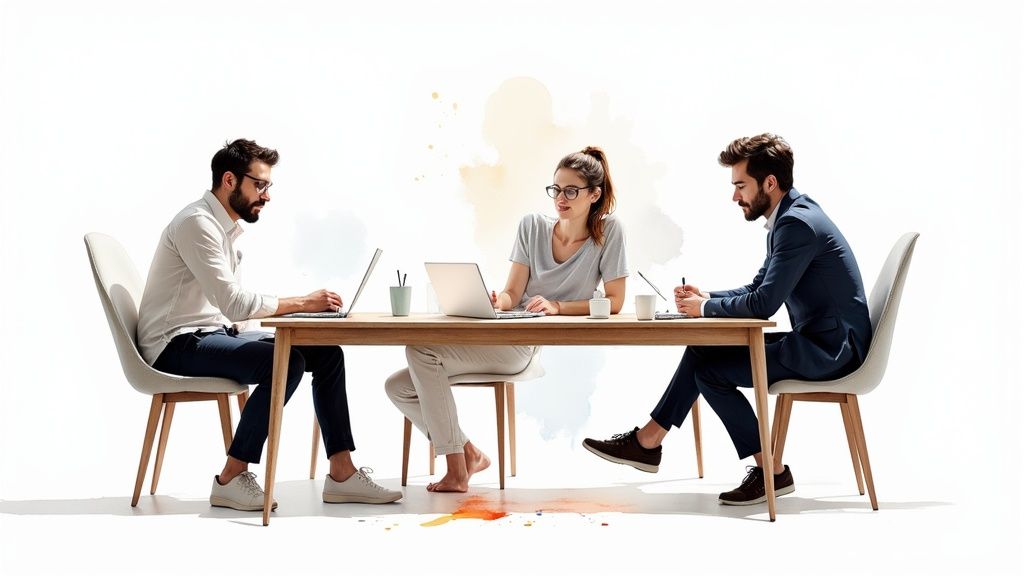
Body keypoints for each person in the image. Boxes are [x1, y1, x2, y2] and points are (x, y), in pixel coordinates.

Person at [583, 133, 872, 505]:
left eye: (740, 186)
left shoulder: (797, 225)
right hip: (821, 341)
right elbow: (759, 287)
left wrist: (703, 310)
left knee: (710, 372)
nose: (735, 196)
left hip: (831, 351)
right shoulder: (791, 215)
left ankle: (771, 472)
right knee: (704, 350)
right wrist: (707, 298)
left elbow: (763, 303)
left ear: (769, 183)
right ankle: (648, 442)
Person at [137, 138, 402, 511]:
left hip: (209, 335)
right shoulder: (197, 225)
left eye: (268, 186)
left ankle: (341, 473)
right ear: (229, 180)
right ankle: (230, 477)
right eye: (259, 185)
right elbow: (233, 304)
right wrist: (302, 303)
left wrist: (295, 323)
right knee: (284, 362)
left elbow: (232, 312)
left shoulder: (221, 227)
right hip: (173, 344)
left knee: (325, 354)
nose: (267, 195)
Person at [386, 147, 629, 492]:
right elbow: (512, 294)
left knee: (420, 351)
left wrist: (558, 306)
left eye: (571, 191)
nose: (561, 198)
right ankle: (468, 453)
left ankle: (457, 468)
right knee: (397, 386)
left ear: (594, 194)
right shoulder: (531, 226)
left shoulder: (608, 233)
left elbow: (616, 302)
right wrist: (495, 299)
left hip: (522, 348)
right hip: (497, 332)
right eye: (556, 189)